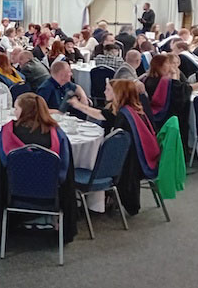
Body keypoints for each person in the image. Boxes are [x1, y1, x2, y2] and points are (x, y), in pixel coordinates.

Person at [0, 93, 77, 242]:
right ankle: (55, 222)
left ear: (24, 111)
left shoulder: (6, 133)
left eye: (16, 108)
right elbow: (64, 170)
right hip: (50, 194)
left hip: (14, 192)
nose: (14, 111)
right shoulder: (57, 134)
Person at [67, 79, 160, 215]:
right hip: (137, 159)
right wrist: (79, 106)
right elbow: (103, 115)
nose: (105, 92)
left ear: (118, 94)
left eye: (108, 90)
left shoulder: (124, 116)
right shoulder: (131, 110)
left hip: (124, 166)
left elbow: (105, 118)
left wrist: (77, 105)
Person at [143, 54, 192, 148]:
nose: (170, 66)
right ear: (161, 65)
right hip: (166, 113)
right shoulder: (165, 82)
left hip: (150, 111)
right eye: (168, 63)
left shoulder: (147, 79)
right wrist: (174, 75)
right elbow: (180, 95)